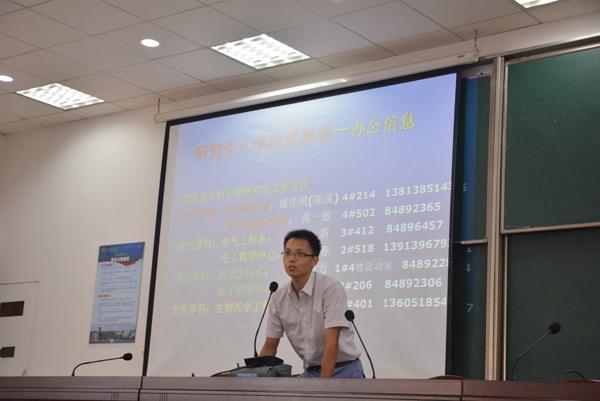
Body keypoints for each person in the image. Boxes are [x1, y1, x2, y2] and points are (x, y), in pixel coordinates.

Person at [259, 229, 365, 378]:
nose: (291, 259)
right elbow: (270, 348)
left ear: (315, 260)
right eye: (287, 253)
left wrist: (322, 387)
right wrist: (256, 379)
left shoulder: (330, 288)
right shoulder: (278, 296)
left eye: (299, 254)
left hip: (343, 369)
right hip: (311, 371)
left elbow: (331, 343)